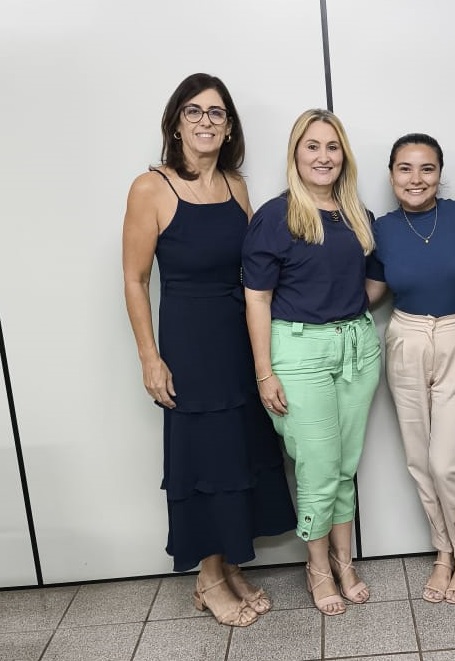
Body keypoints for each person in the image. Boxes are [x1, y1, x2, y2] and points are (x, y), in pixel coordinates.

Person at [122, 73, 296, 628]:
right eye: (193, 111)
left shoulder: (235, 185)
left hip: (239, 341)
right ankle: (208, 576)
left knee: (239, 454)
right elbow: (134, 278)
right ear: (176, 122)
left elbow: (254, 271)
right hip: (190, 346)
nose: (204, 121)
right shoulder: (150, 188)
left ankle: (228, 564)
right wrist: (150, 357)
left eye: (216, 113)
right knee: (206, 460)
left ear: (228, 127)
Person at [242, 109, 381, 616]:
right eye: (312, 146)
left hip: (357, 349)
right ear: (295, 154)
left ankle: (345, 562)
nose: (323, 157)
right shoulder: (275, 216)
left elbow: (372, 280)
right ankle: (317, 567)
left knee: (344, 466)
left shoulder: (353, 213)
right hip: (298, 352)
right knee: (318, 467)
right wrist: (265, 371)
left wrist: (351, 316)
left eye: (332, 147)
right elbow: (256, 299)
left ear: (344, 156)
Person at [366, 134, 455, 606]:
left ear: (440, 173)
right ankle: (444, 552)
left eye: (426, 169)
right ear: (391, 173)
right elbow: (373, 290)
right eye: (405, 168)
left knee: (447, 462)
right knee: (420, 460)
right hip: (406, 337)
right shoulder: (382, 229)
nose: (416, 179)